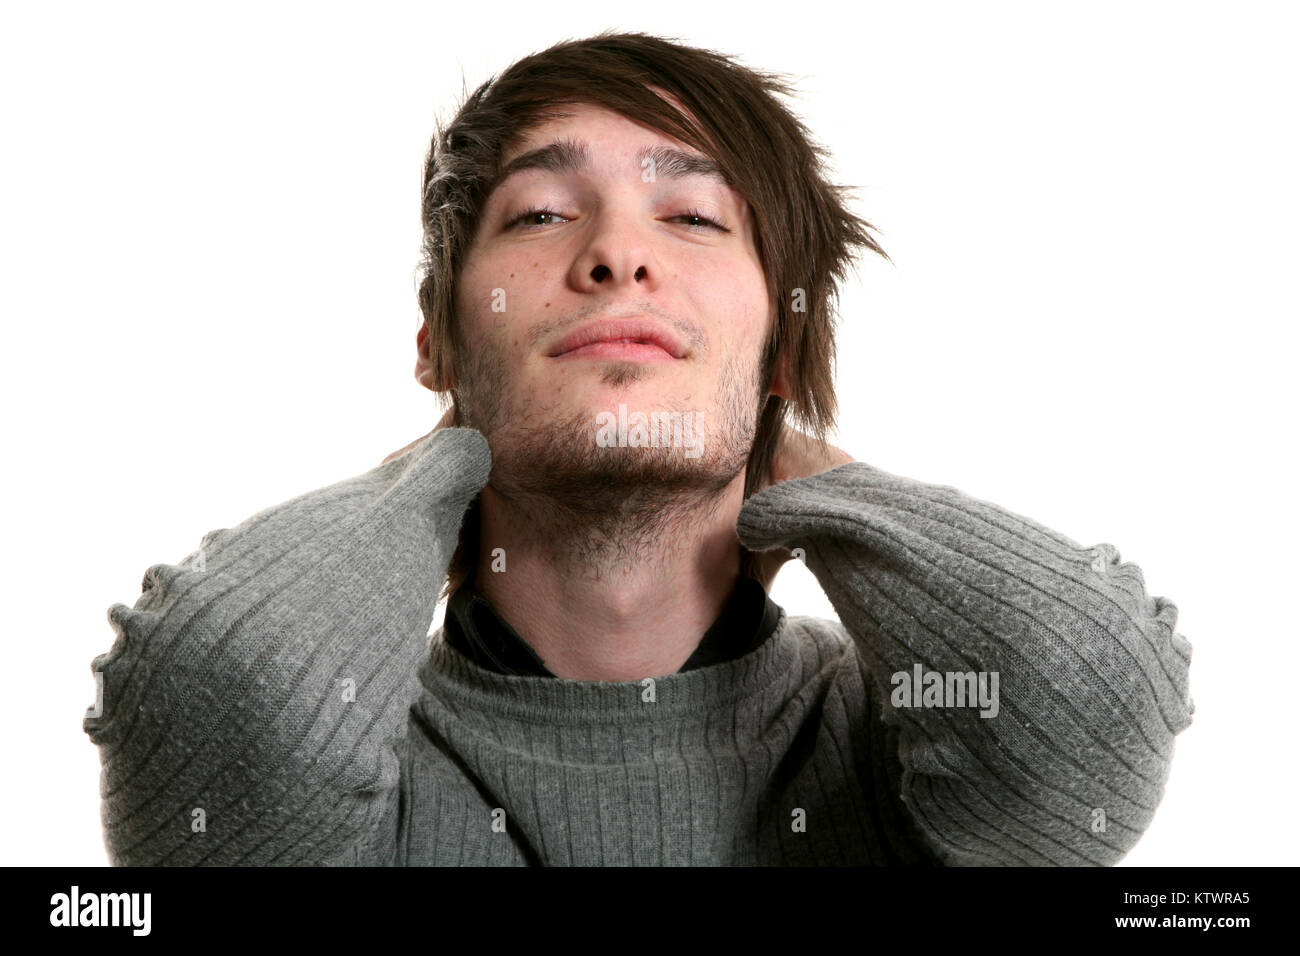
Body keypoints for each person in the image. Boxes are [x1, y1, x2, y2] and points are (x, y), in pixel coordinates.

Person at [84, 31, 1194, 866]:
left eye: (694, 218)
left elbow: (1088, 695)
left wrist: (790, 461)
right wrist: (451, 449)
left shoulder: (890, 746)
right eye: (539, 215)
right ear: (439, 339)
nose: (617, 251)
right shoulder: (359, 775)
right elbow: (220, 691)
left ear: (780, 338)